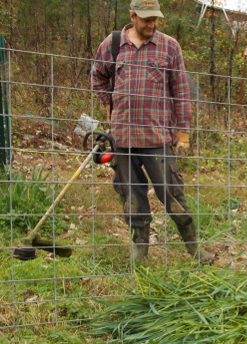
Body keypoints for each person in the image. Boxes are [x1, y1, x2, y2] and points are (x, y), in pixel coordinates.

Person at [91, 0, 213, 263]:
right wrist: (109, 102)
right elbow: (97, 76)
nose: (152, 24)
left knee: (172, 194)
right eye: (146, 19)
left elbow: (181, 91)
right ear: (133, 16)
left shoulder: (169, 46)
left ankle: (194, 248)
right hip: (122, 139)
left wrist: (183, 133)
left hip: (157, 138)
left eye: (156, 19)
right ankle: (139, 250)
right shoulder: (112, 44)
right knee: (131, 196)